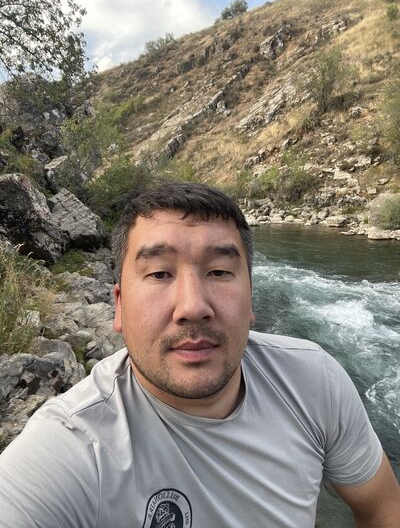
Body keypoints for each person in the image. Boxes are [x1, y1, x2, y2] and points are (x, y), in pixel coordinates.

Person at [0, 182, 399, 528]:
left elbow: (383, 508)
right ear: (118, 305)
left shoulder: (313, 379)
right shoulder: (69, 448)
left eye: (219, 272)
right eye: (160, 273)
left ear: (251, 297)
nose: (193, 306)